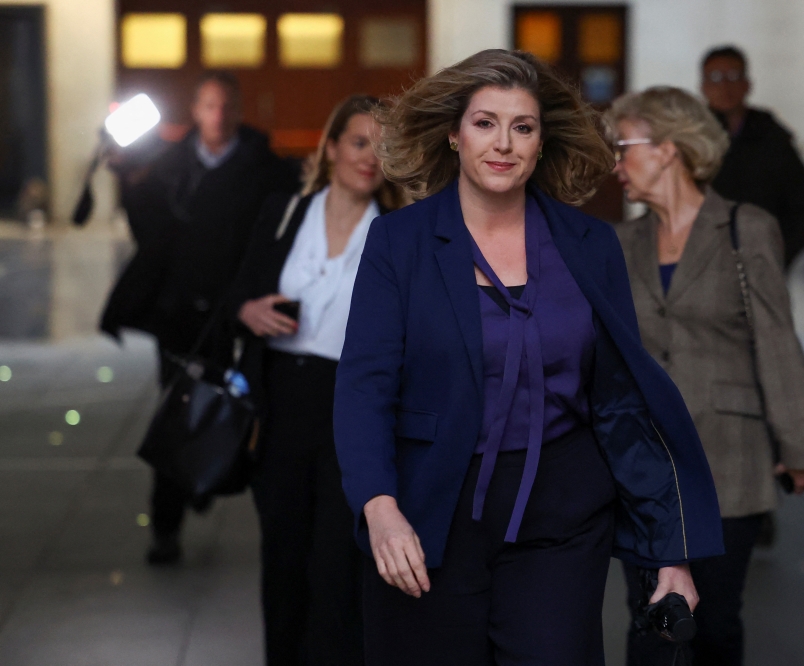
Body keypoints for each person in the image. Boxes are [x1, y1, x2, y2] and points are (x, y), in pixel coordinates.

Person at [333, 49, 724, 666]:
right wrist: (379, 508)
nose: (504, 144)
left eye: (523, 127)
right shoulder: (399, 241)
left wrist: (667, 551)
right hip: (430, 509)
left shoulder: (590, 243)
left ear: (541, 144)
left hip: (562, 515)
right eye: (485, 123)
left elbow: (620, 402)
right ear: (455, 136)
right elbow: (365, 387)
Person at [608, 86, 804, 666]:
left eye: (623, 147)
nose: (616, 164)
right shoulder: (618, 243)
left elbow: (776, 341)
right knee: (651, 621)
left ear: (668, 149)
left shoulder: (745, 229)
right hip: (647, 469)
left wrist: (802, 445)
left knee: (715, 623)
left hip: (729, 459)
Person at [227, 95, 401, 666]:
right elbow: (238, 290)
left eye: (381, 146)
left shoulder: (397, 234)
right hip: (280, 402)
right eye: (357, 142)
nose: (368, 157)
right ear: (330, 149)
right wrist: (248, 311)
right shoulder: (285, 212)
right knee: (283, 553)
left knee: (338, 558)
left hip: (351, 406)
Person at [100, 71, 299, 565]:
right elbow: (149, 230)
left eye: (226, 106)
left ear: (237, 109)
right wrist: (126, 174)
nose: (217, 116)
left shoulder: (262, 168)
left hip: (240, 313)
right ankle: (167, 525)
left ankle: (214, 479)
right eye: (209, 106)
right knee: (179, 414)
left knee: (241, 412)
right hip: (181, 318)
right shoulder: (171, 166)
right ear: (196, 110)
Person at [701, 45, 804, 269]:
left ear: (747, 84)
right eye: (716, 78)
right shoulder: (689, 139)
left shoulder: (773, 138)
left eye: (733, 77)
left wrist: (778, 256)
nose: (725, 86)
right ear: (704, 86)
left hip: (762, 266)